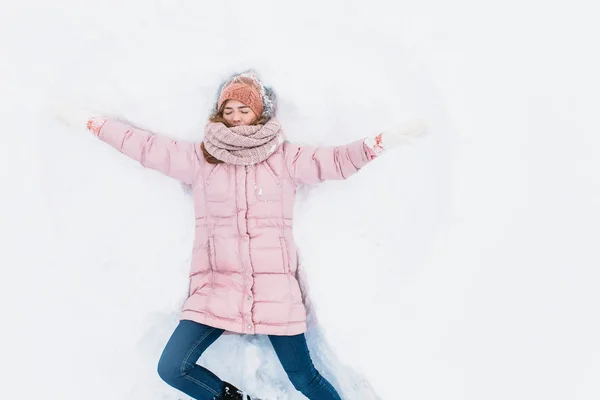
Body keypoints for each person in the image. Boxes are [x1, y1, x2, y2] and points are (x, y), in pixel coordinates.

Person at [77, 71, 428, 400]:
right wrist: (94, 124)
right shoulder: (203, 159)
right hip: (216, 291)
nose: (234, 116)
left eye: (243, 109)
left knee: (305, 379)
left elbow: (333, 161)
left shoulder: (284, 159)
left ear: (259, 114)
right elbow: (147, 147)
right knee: (172, 368)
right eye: (227, 109)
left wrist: (377, 143)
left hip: (275, 292)